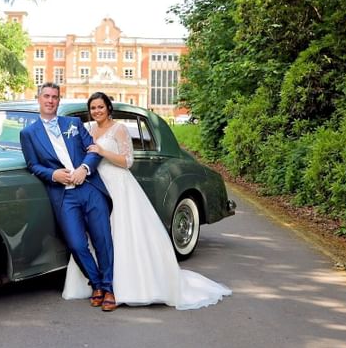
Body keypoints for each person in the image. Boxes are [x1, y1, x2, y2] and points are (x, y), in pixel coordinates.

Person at [62, 92, 232, 309]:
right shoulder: (89, 130)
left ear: (108, 108)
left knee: (121, 233)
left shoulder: (119, 129)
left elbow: (128, 161)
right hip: (96, 184)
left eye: (100, 107)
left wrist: (103, 151)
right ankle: (97, 283)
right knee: (96, 234)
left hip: (118, 184)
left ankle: (122, 287)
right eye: (93, 108)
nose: (96, 111)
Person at [19, 82, 118, 312]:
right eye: (46, 96)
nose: (50, 100)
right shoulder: (28, 133)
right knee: (76, 243)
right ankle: (96, 283)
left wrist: (84, 168)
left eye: (55, 97)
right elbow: (33, 165)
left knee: (103, 239)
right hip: (63, 196)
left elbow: (92, 149)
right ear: (39, 99)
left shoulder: (72, 123)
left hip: (90, 188)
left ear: (58, 100)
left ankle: (108, 287)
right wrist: (53, 174)